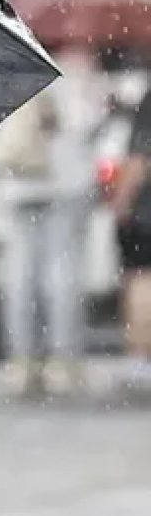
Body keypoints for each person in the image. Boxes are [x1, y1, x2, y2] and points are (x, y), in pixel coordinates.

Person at [0, 51, 106, 396]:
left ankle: (22, 360)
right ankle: (61, 360)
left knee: (19, 272)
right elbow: (85, 123)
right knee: (62, 270)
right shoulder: (75, 68)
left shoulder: (11, 57)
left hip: (19, 181)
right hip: (64, 181)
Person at [109, 83, 151, 389]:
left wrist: (121, 203)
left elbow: (139, 159)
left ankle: (140, 358)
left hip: (147, 211)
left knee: (140, 279)